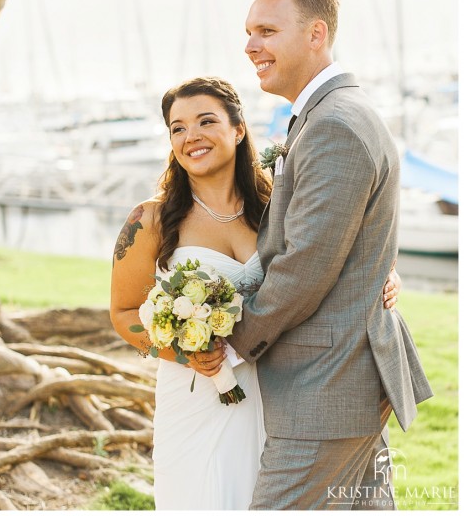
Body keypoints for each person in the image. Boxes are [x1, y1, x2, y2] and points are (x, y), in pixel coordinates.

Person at [110, 75, 402, 510]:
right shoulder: (149, 219)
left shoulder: (277, 206)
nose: (192, 137)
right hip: (197, 395)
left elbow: (333, 246)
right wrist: (183, 352)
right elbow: (124, 311)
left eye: (206, 121)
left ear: (239, 128)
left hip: (280, 390)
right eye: (178, 127)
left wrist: (387, 275)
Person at [209, 0, 433, 510]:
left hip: (326, 387)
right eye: (248, 32)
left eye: (266, 30)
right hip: (341, 381)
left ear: (316, 34)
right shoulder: (327, 116)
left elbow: (304, 266)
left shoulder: (335, 124)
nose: (250, 46)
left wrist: (229, 340)